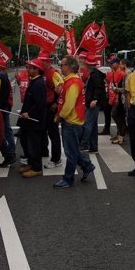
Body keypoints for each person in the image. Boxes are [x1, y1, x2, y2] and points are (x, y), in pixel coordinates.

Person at [53, 55, 95, 189]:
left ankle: (68, 179)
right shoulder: (70, 81)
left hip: (72, 121)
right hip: (73, 121)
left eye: (63, 65)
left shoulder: (73, 82)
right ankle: (87, 166)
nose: (60, 67)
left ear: (70, 66)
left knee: (70, 152)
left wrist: (60, 116)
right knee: (73, 150)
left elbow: (69, 105)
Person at [19, 58, 47, 178]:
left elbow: (40, 103)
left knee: (34, 144)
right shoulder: (34, 81)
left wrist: (29, 113)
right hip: (28, 119)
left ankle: (36, 168)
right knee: (25, 140)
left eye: (31, 67)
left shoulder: (39, 83)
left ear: (37, 69)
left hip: (34, 120)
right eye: (28, 67)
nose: (28, 69)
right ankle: (31, 163)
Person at [39, 52, 64, 169]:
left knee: (53, 133)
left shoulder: (53, 73)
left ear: (48, 62)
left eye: (42, 61)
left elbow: (61, 89)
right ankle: (44, 151)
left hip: (51, 107)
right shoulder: (42, 72)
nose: (40, 63)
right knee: (43, 130)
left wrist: (56, 103)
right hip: (44, 106)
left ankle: (56, 159)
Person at [81, 54, 105, 154]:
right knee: (93, 125)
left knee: (87, 124)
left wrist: (94, 100)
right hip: (94, 102)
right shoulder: (95, 74)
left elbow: (98, 88)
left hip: (93, 103)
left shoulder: (94, 75)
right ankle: (93, 146)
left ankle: (83, 145)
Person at [107, 58, 127, 144]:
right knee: (116, 115)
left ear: (117, 64)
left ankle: (121, 134)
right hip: (115, 97)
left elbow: (121, 88)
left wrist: (116, 98)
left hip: (119, 99)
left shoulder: (122, 74)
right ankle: (120, 133)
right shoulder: (114, 72)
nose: (111, 65)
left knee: (117, 116)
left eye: (112, 63)